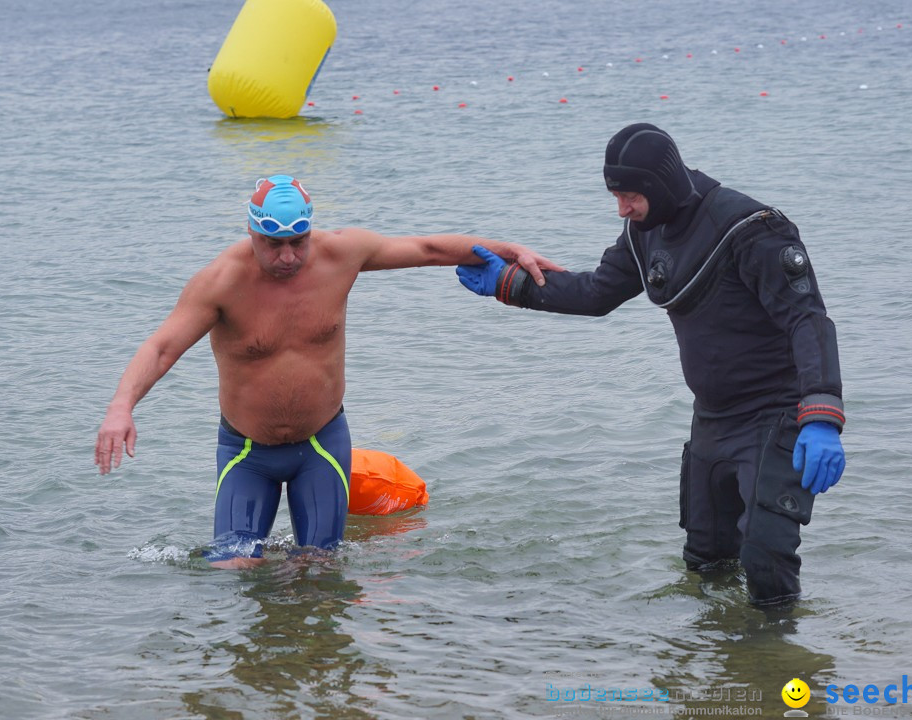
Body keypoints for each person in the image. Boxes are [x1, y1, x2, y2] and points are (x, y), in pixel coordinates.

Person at [456, 124, 846, 605]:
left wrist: (822, 415)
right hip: (713, 419)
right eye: (616, 196)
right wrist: (511, 286)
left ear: (660, 185)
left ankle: (778, 665)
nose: (622, 209)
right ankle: (714, 656)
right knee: (706, 562)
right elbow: (597, 293)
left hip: (776, 415)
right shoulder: (645, 231)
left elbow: (808, 320)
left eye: (631, 196)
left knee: (765, 558)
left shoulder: (752, 229)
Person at [95, 174, 562, 569]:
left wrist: (511, 249)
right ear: (252, 233)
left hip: (321, 443)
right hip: (246, 454)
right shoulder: (220, 283)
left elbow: (427, 248)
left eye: (298, 242)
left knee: (320, 571)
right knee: (233, 566)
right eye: (274, 245)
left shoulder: (342, 254)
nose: (288, 257)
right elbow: (160, 349)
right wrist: (122, 406)